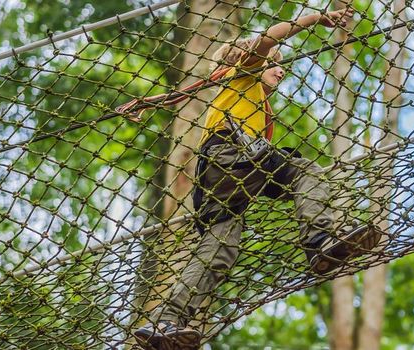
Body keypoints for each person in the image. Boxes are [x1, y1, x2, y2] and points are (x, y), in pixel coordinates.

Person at [119, 7, 379, 349]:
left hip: (224, 177)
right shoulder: (245, 72)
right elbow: (269, 37)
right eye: (275, 62)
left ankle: (167, 320)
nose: (281, 69)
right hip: (229, 155)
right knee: (304, 169)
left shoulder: (249, 98)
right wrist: (314, 18)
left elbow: (188, 92)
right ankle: (319, 241)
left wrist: (148, 101)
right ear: (251, 58)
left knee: (220, 249)